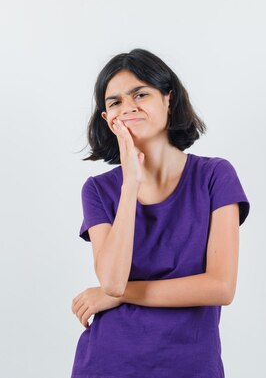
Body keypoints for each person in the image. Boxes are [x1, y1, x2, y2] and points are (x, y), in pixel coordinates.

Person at [70, 48, 251, 378]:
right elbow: (111, 281)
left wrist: (118, 296)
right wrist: (130, 184)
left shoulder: (215, 176)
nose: (129, 107)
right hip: (108, 363)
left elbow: (221, 287)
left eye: (141, 94)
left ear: (168, 98)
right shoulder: (98, 190)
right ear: (107, 119)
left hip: (191, 365)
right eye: (115, 102)